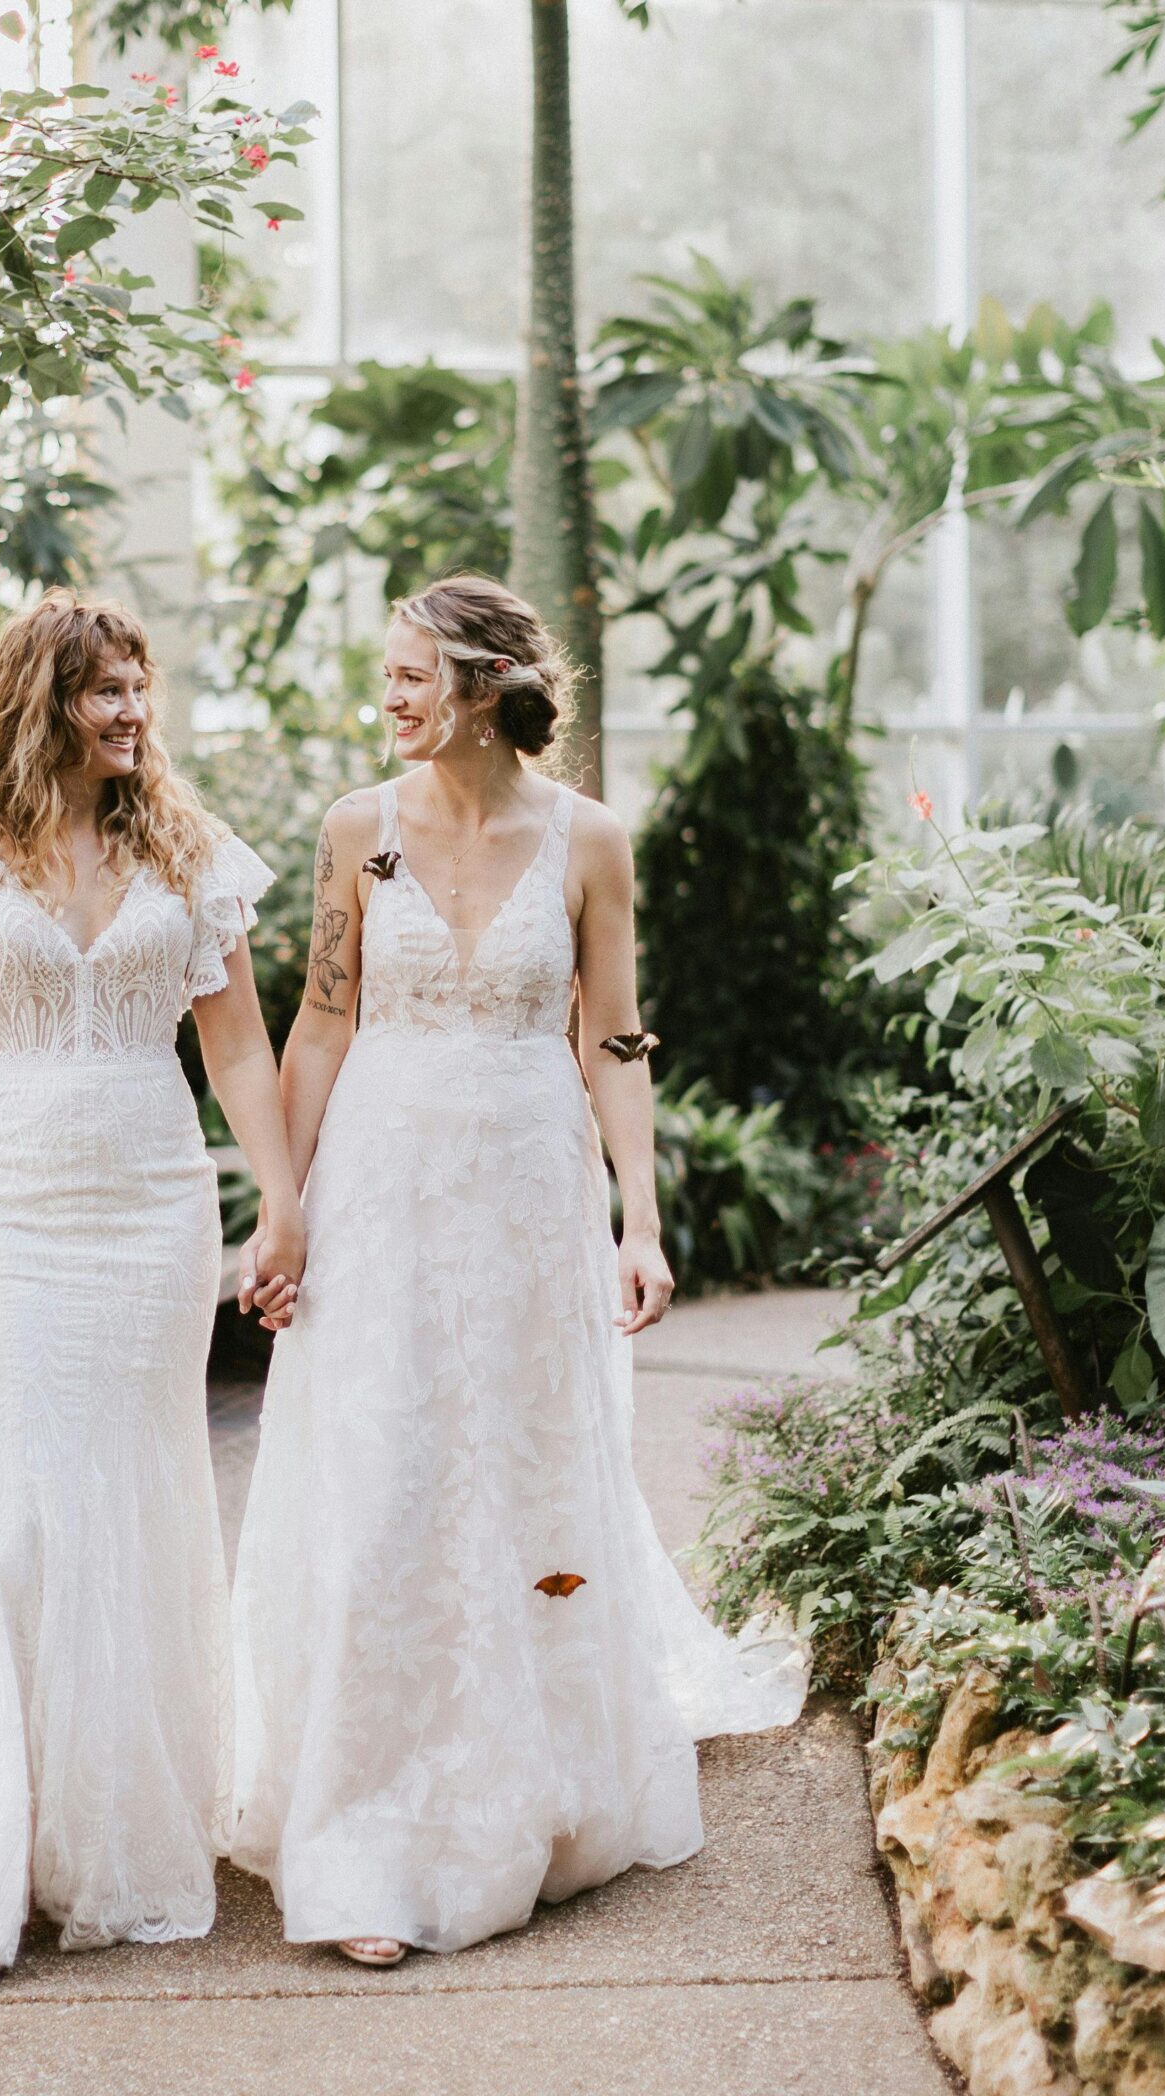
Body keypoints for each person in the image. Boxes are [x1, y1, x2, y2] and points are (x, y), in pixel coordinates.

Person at [231, 572, 806, 1966]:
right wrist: (280, 1206)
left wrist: (644, 1220)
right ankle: (371, 1832)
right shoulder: (360, 835)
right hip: (378, 1188)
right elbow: (319, 1024)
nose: (393, 695)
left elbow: (613, 1039)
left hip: (532, 1192)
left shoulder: (590, 842)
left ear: (488, 685)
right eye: (388, 673)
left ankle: (535, 1790)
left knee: (526, 1473)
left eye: (415, 673)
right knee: (387, 1478)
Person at [0, 590, 303, 1989]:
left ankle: (127, 1831)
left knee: (136, 1494)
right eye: (103, 692)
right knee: (14, 1514)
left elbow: (238, 1051)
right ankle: (9, 1837)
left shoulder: (186, 855)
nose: (131, 714)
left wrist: (281, 1196)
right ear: (37, 702)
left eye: (139, 689)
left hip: (149, 1210)